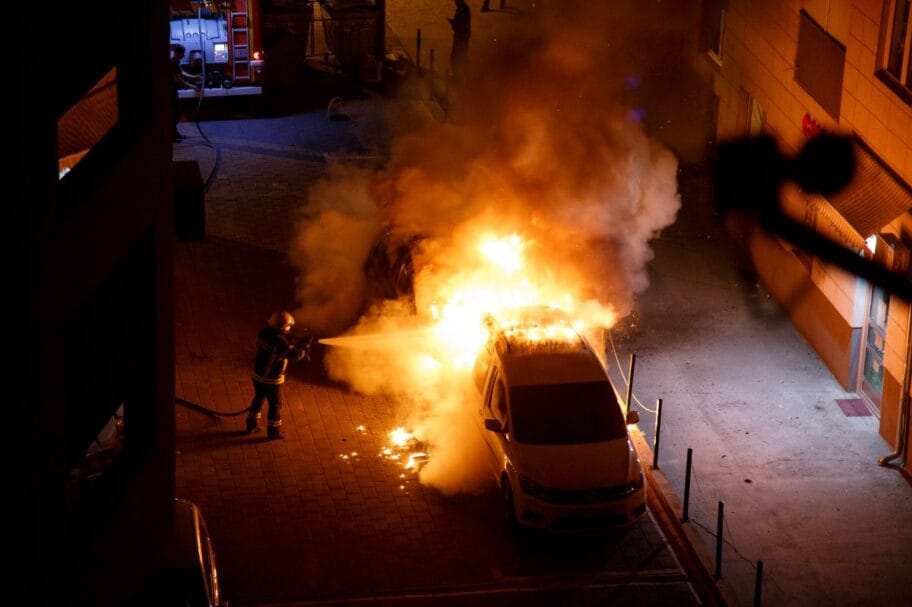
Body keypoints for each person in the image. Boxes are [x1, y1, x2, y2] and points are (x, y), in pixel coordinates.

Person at [246, 310, 304, 440]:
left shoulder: (265, 333)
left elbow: (276, 343)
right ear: (282, 327)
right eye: (288, 327)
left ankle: (251, 424)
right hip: (271, 380)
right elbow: (296, 355)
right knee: (275, 405)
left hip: (257, 375)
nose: (290, 329)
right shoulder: (281, 343)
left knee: (259, 398)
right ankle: (273, 432)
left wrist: (288, 338)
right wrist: (304, 347)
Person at [170, 44, 199, 142]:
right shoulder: (172, 63)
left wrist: (194, 77)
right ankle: (172, 135)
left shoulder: (176, 62)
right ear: (177, 53)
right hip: (170, 91)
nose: (184, 55)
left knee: (176, 113)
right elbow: (177, 79)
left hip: (173, 91)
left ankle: (174, 133)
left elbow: (182, 73)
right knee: (175, 113)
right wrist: (192, 86)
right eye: (183, 53)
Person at [448, 0, 471, 77]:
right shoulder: (461, 9)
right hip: (459, 36)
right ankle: (459, 75)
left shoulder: (464, 10)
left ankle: (459, 75)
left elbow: (464, 24)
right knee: (458, 57)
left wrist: (454, 23)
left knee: (458, 57)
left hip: (462, 37)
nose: (455, 3)